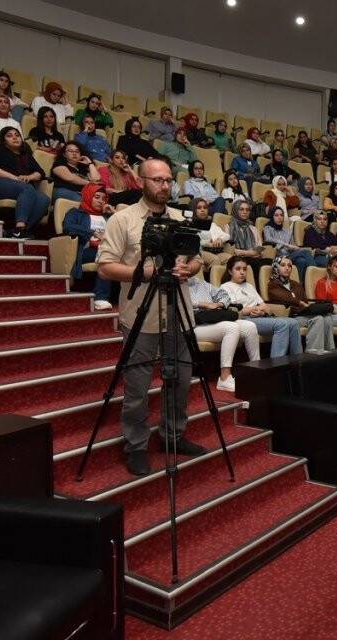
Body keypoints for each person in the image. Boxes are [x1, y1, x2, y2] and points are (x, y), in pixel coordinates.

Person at [96, 158, 207, 476]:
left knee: (181, 382)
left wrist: (189, 269)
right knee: (137, 388)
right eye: (157, 180)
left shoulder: (180, 219)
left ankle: (174, 435)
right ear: (142, 181)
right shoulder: (123, 219)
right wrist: (145, 273)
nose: (164, 185)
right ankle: (136, 446)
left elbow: (197, 259)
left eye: (168, 180)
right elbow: (105, 266)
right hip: (140, 315)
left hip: (178, 312)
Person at [221, 256, 304, 358]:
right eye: (238, 269)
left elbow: (265, 306)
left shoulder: (249, 286)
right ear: (230, 271)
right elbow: (235, 311)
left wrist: (262, 312)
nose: (242, 272)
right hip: (244, 320)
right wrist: (255, 309)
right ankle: (277, 364)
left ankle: (298, 361)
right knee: (282, 324)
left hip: (260, 316)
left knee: (294, 322)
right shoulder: (226, 287)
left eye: (244, 269)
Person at [188, 275, 259, 392]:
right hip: (193, 325)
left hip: (212, 320)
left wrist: (219, 304)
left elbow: (224, 295)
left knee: (250, 326)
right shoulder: (177, 284)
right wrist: (202, 304)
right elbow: (178, 304)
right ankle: (224, 378)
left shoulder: (202, 283)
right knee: (231, 327)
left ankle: (256, 372)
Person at [0, 126, 48, 238]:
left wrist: (29, 177)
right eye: (9, 136)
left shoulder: (26, 155)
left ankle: (18, 231)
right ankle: (20, 227)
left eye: (17, 135)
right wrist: (15, 178)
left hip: (22, 186)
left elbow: (40, 173)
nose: (15, 138)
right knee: (27, 188)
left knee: (44, 199)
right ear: (4, 140)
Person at [264, 255, 333, 353]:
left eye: (289, 265)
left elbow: (305, 301)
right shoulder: (273, 284)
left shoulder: (296, 284)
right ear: (276, 267)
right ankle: (313, 352)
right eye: (283, 265)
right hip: (288, 316)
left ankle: (329, 351)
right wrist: (299, 302)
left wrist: (302, 304)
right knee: (318, 319)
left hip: (301, 313)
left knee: (326, 318)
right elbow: (283, 298)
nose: (287, 268)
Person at [64, 183, 114, 310]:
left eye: (104, 199)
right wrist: (92, 232)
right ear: (88, 196)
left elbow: (125, 230)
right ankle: (100, 297)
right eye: (97, 197)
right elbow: (68, 227)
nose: (101, 201)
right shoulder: (76, 213)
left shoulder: (107, 217)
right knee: (105, 256)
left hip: (109, 249)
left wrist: (114, 213)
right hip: (87, 250)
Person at [263, 206, 314, 278]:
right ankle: (314, 275)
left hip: (289, 255)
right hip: (278, 257)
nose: (279, 217)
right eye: (276, 215)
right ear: (272, 216)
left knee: (301, 261)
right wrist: (286, 245)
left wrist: (292, 247)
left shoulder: (287, 232)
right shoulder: (268, 228)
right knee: (306, 252)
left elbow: (292, 245)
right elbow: (268, 239)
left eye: (281, 215)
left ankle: (300, 282)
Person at [227, 201, 270, 273]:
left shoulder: (253, 228)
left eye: (247, 210)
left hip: (253, 257)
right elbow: (231, 249)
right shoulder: (229, 227)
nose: (245, 212)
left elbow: (259, 248)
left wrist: (244, 253)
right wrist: (250, 253)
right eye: (241, 209)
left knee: (271, 262)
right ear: (235, 210)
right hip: (237, 259)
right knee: (255, 264)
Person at [190, 199, 233, 271]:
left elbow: (227, 236)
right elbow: (192, 242)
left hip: (214, 252)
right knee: (215, 259)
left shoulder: (212, 224)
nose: (202, 210)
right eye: (199, 208)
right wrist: (208, 243)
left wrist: (220, 239)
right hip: (198, 252)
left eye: (205, 208)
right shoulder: (191, 224)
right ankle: (212, 278)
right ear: (194, 210)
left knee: (230, 259)